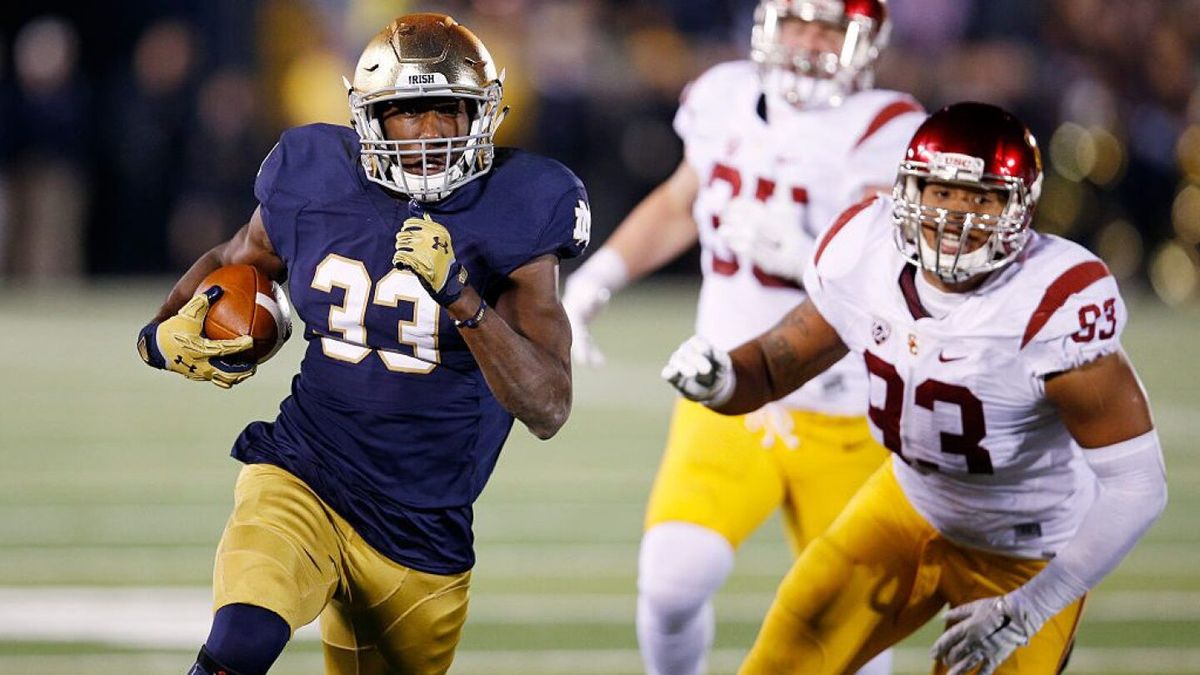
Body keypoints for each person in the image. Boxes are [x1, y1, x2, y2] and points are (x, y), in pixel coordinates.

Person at [136, 14, 588, 675]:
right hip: (304, 471)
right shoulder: (313, 172)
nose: (434, 131)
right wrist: (159, 338)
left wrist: (461, 295)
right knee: (238, 642)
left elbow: (548, 405)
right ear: (370, 117)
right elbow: (238, 257)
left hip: (423, 531)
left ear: (484, 112)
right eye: (410, 110)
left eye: (451, 109)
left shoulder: (522, 202)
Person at [662, 101, 1168, 674]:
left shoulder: (1053, 302)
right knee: (782, 660)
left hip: (1027, 550)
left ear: (1019, 206)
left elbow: (1137, 485)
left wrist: (1032, 608)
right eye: (941, 192)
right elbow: (775, 367)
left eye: (981, 197)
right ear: (908, 192)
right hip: (908, 507)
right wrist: (722, 376)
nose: (956, 215)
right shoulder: (865, 250)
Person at [563, 1, 922, 673]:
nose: (811, 41)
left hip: (848, 410)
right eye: (798, 21)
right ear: (768, 24)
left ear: (865, 42)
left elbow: (881, 259)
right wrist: (598, 279)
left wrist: (807, 253)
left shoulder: (890, 126)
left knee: (855, 638)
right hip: (728, 391)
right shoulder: (723, 96)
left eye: (830, 28)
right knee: (671, 581)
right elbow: (679, 202)